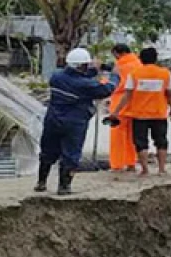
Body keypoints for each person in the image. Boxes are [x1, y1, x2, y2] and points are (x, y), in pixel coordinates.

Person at [36, 48, 117, 195]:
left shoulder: (56, 76)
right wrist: (115, 75)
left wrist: (94, 70)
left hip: (53, 119)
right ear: (82, 66)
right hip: (74, 122)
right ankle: (64, 186)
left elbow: (76, 77)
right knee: (71, 154)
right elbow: (107, 89)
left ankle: (41, 182)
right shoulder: (85, 85)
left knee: (48, 151)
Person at [109, 47, 171, 176]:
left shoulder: (135, 74)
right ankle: (161, 169)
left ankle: (145, 169)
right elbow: (170, 94)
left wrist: (116, 111)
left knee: (141, 142)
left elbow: (127, 95)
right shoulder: (165, 73)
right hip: (159, 113)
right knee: (161, 141)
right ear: (156, 59)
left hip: (139, 114)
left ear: (141, 58)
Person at [106, 44, 142, 172]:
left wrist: (101, 83)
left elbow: (115, 84)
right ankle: (131, 162)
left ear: (117, 53)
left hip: (119, 103)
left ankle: (117, 164)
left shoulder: (120, 66)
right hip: (136, 104)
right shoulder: (138, 64)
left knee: (117, 135)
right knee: (131, 135)